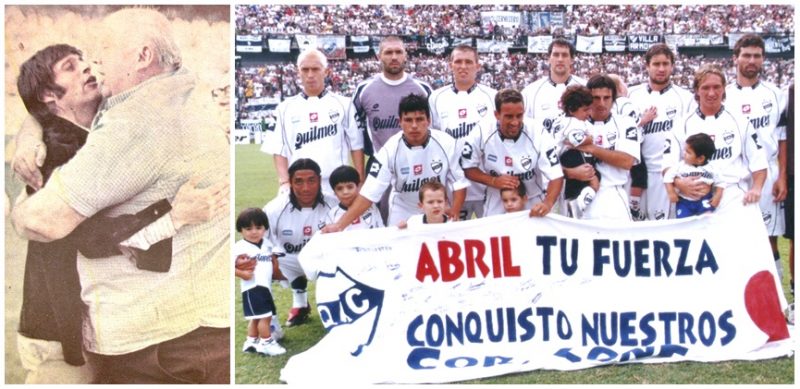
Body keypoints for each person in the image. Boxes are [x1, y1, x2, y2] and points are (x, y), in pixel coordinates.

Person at [10, 8, 230, 384]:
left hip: (161, 343)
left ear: (143, 56)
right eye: (73, 64)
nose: (92, 64)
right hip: (64, 328)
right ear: (49, 97)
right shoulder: (182, 94)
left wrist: (20, 204)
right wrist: (29, 134)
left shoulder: (129, 123)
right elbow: (85, 236)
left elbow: (49, 222)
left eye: (101, 51)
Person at [324, 93, 468, 229]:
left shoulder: (447, 143)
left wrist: (454, 211)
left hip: (435, 207)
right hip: (403, 208)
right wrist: (339, 226)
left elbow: (459, 183)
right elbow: (369, 193)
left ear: (428, 121)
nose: (414, 126)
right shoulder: (389, 150)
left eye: (419, 119)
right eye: (408, 120)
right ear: (400, 122)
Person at [725, 34, 788, 281]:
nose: (752, 60)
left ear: (763, 60)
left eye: (757, 56)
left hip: (768, 173)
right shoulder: (724, 93)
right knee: (732, 237)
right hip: (734, 175)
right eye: (746, 55)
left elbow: (782, 138)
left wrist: (782, 176)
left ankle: (776, 300)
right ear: (736, 58)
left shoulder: (775, 94)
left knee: (768, 238)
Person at [351, 36, 433, 223]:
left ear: (406, 56)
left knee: (419, 218)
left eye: (398, 52)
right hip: (380, 164)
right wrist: (361, 178)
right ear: (379, 56)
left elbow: (433, 130)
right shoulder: (364, 90)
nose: (394, 57)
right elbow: (355, 137)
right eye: (388, 52)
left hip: (417, 163)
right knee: (380, 221)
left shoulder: (423, 89)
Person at [665, 64, 767, 213]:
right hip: (692, 197)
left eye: (716, 87)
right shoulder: (681, 124)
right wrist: (680, 184)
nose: (711, 93)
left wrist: (756, 188)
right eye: (705, 88)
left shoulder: (741, 122)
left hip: (732, 196)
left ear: (724, 88)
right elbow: (668, 164)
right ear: (697, 90)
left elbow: (759, 162)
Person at [261, 48, 364, 196]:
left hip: (337, 186)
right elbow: (278, 149)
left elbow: (357, 145)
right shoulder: (284, 108)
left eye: (315, 69)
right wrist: (284, 182)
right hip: (299, 186)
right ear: (298, 72)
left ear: (326, 72)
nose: (310, 75)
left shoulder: (344, 105)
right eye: (305, 69)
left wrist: (360, 180)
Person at [461, 88, 564, 217]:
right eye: (509, 117)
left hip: (531, 197)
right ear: (496, 114)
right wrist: (493, 181)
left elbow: (556, 175)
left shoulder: (538, 131)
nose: (515, 122)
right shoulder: (481, 131)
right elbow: (468, 167)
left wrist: (548, 203)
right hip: (498, 198)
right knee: (495, 235)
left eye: (519, 115)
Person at [628, 43, 696, 220]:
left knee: (665, 229)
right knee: (635, 230)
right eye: (656, 64)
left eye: (666, 64)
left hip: (670, 175)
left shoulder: (685, 99)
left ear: (672, 66)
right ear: (647, 66)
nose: (661, 69)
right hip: (636, 175)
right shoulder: (631, 95)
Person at [264, 158, 335, 327]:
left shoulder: (335, 204)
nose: (306, 188)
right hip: (288, 259)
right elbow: (260, 243)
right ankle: (271, 327)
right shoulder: (274, 208)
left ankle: (339, 311)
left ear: (319, 180)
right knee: (260, 266)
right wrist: (270, 264)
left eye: (311, 181)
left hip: (323, 260)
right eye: (299, 182)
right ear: (290, 182)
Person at [429, 45, 497, 219]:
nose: (463, 66)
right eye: (458, 62)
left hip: (486, 184)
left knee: (490, 235)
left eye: (468, 62)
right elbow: (434, 142)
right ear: (451, 64)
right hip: (455, 185)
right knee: (456, 237)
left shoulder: (492, 96)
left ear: (477, 66)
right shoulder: (436, 97)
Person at [569, 74, 640, 220]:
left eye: (606, 98)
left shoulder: (626, 123)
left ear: (613, 99)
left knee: (621, 241)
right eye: (596, 98)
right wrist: (571, 172)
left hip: (613, 195)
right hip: (578, 194)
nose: (601, 103)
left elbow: (627, 161)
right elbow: (555, 163)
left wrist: (591, 148)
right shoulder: (572, 124)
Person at [235, 208, 286, 356]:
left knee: (256, 318)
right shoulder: (239, 247)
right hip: (253, 287)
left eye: (258, 227)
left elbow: (272, 260)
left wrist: (277, 271)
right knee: (266, 317)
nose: (254, 232)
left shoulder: (267, 244)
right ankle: (266, 343)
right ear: (241, 230)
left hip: (265, 287)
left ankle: (251, 341)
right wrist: (241, 273)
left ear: (265, 228)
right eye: (248, 228)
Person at [521, 38, 587, 135]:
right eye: (556, 55)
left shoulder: (585, 87)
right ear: (549, 58)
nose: (560, 59)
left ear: (572, 59)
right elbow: (524, 124)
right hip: (542, 149)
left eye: (564, 55)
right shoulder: (531, 92)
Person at [552, 85, 597, 218]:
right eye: (585, 110)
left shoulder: (563, 120)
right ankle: (577, 204)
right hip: (567, 159)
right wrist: (590, 139)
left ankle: (577, 203)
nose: (588, 113)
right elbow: (577, 141)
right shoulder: (572, 123)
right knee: (594, 180)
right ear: (572, 110)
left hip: (559, 162)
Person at [664, 133, 724, 218]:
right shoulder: (680, 166)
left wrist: (717, 196)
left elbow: (721, 183)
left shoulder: (712, 168)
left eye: (688, 152)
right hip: (685, 202)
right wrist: (671, 193)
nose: (684, 154)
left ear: (700, 159)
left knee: (706, 220)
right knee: (683, 222)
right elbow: (667, 177)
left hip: (704, 200)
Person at [325, 165, 384, 230]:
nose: (345, 192)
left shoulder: (371, 207)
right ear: (334, 192)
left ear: (358, 187)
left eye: (350, 187)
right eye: (339, 188)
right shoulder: (332, 215)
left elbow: (381, 230)